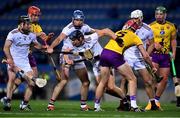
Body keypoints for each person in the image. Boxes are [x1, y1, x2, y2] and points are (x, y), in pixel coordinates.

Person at [47, 29, 130, 111]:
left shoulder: (91, 38)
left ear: (80, 39)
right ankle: (113, 103)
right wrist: (68, 60)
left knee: (111, 87)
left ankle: (125, 100)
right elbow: (66, 51)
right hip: (95, 65)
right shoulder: (74, 45)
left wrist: (117, 39)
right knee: (104, 88)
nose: (73, 42)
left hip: (105, 61)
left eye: (74, 40)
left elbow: (106, 31)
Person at [94, 19, 157, 112]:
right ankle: (134, 106)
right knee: (132, 79)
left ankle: (97, 106)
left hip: (104, 53)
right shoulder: (135, 37)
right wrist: (152, 67)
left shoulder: (119, 32)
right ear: (135, 29)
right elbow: (146, 56)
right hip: (114, 55)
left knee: (103, 82)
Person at [1, 6, 54, 111]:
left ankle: (24, 104)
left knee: (32, 82)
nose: (30, 26)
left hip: (25, 62)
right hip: (13, 60)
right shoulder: (13, 33)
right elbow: (5, 48)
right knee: (11, 79)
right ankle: (8, 101)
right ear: (22, 24)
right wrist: (9, 59)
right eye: (28, 24)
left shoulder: (31, 35)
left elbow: (37, 45)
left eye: (30, 24)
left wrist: (45, 48)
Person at [119, 9, 160, 111]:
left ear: (141, 18)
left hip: (140, 58)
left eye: (136, 18)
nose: (134, 20)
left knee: (148, 81)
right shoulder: (127, 26)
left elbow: (152, 44)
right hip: (128, 56)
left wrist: (146, 54)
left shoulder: (148, 29)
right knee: (124, 80)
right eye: (133, 18)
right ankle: (123, 103)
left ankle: (153, 104)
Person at [145, 6, 177, 110]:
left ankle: (156, 101)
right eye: (157, 14)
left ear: (165, 15)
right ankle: (151, 102)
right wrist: (153, 44)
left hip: (165, 55)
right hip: (154, 55)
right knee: (153, 78)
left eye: (161, 14)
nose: (158, 16)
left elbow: (173, 40)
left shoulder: (171, 26)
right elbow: (147, 40)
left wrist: (174, 53)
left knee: (164, 80)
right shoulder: (150, 26)